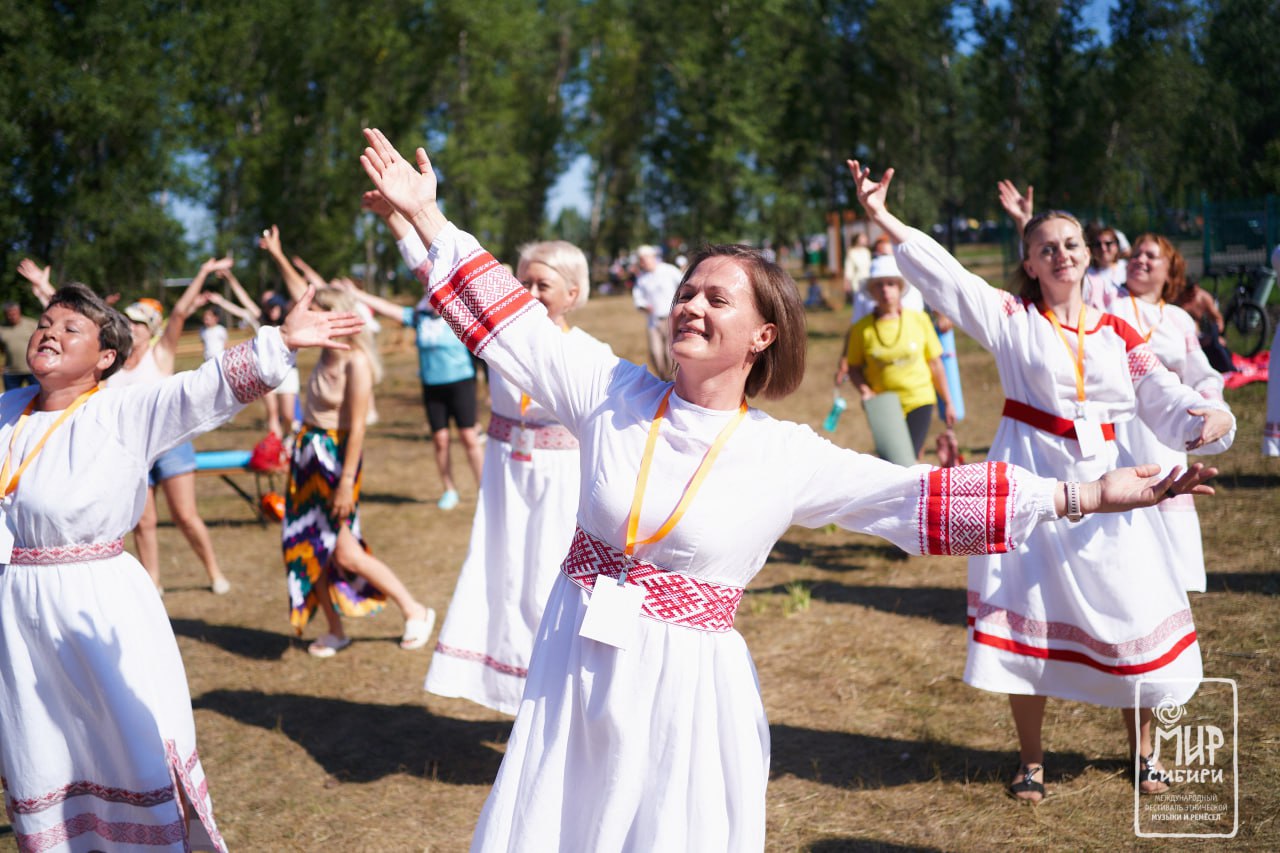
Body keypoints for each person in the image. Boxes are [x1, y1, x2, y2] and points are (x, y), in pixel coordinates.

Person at [360, 127, 1216, 850]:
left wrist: (1086, 495)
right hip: (573, 675)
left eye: (716, 298)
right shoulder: (608, 390)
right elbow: (506, 317)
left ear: (763, 335)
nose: (692, 303)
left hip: (688, 697)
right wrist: (426, 212)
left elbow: (915, 500)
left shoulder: (785, 454)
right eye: (687, 290)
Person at [850, 160, 1234, 805]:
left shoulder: (1120, 333)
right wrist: (883, 217)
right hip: (1029, 486)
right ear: (1029, 262)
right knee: (1028, 616)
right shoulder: (1010, 317)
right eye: (1045, 248)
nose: (1061, 255)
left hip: (1115, 487)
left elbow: (1165, 399)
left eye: (1071, 245)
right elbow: (948, 277)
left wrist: (1209, 419)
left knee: (1132, 603)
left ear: (1087, 257)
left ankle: (1143, 754)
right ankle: (1031, 760)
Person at [0, 281, 358, 853]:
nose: (49, 332)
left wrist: (280, 343)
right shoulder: (6, 411)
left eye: (71, 328)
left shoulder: (124, 409)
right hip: (18, 612)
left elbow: (201, 390)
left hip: (94, 602)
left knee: (120, 744)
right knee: (41, 747)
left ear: (105, 358)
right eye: (47, 322)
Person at [413, 231, 613, 713]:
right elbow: (444, 282)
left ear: (574, 293)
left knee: (547, 574)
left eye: (543, 284)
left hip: (558, 477)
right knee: (500, 572)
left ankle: (555, 693)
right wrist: (405, 224)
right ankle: (510, 688)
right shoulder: (500, 340)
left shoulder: (591, 353)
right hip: (505, 472)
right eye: (522, 282)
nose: (530, 293)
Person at [283, 286, 435, 657]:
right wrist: (276, 255)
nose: (310, 317)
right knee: (307, 548)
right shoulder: (324, 350)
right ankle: (335, 631)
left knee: (347, 554)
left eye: (317, 312)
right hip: (307, 458)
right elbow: (299, 291)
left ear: (336, 315)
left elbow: (357, 429)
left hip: (337, 461)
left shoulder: (357, 362)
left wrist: (346, 483)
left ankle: (414, 609)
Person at [344, 195, 484, 511]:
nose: (429, 285)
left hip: (461, 381)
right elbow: (391, 307)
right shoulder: (420, 316)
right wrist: (357, 295)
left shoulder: (455, 310)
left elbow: (419, 262)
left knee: (469, 438)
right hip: (432, 385)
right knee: (440, 440)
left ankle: (484, 489)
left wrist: (392, 215)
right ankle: (449, 489)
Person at [107, 258, 236, 595]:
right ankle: (153, 582)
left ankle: (213, 571)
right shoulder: (112, 363)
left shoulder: (160, 353)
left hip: (171, 443)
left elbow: (179, 313)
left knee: (185, 515)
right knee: (144, 522)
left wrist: (204, 273)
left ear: (151, 330)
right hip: (134, 450)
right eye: (128, 321)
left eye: (139, 323)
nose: (132, 327)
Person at [1108, 234, 1228, 592]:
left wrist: (1212, 409)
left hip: (1161, 428)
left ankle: (1168, 586)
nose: (1139, 260)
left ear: (1169, 271)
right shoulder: (1104, 301)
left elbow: (1202, 373)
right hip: (1116, 422)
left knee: (1164, 496)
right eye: (1136, 253)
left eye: (1151, 256)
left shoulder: (1177, 319)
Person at [835, 254, 955, 460]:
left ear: (900, 288)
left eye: (891, 284)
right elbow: (854, 368)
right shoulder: (861, 329)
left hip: (919, 399)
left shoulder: (920, 320)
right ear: (871, 291)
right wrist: (865, 391)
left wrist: (948, 401)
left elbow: (935, 364)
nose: (885, 290)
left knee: (905, 460)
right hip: (884, 406)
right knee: (892, 462)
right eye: (879, 285)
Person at [631, 244, 682, 379]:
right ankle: (664, 381)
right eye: (640, 259)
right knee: (655, 354)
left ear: (653, 257)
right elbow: (638, 298)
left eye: (645, 258)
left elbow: (684, 284)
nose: (643, 262)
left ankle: (675, 383)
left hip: (671, 319)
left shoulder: (669, 270)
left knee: (670, 354)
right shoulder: (642, 279)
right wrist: (643, 306)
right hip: (653, 322)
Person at [1083, 224, 1127, 310]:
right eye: (1098, 245)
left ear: (1116, 246)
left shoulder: (1127, 268)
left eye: (1108, 244)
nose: (1103, 248)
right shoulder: (1086, 275)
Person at [0, 299, 38, 391]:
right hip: (11, 372)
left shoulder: (32, 324)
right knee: (11, 399)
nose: (12, 316)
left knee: (37, 396)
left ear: (19, 312)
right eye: (9, 314)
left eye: (14, 313)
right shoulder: (2, 329)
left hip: (32, 369)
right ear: (5, 314)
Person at [842, 231, 871, 305]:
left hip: (868, 281)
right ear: (857, 239)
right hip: (857, 283)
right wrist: (847, 283)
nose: (865, 239)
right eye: (863, 238)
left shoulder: (866, 252)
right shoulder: (852, 252)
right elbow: (849, 269)